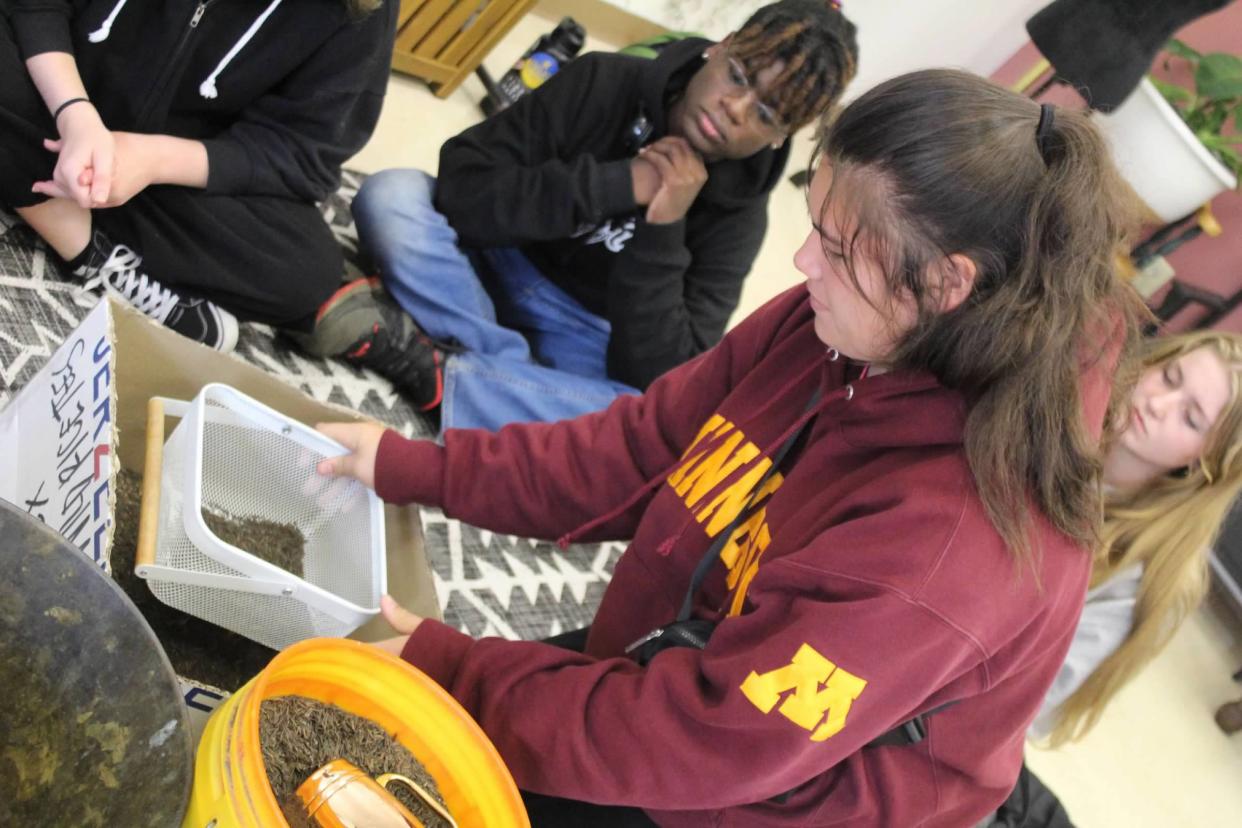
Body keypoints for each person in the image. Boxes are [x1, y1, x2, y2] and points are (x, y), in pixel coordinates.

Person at [317, 70, 1147, 826]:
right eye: (815, 222)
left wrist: (453, 669)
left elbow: (700, 740)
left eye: (832, 246)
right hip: (690, 677)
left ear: (944, 284)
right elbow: (642, 448)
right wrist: (410, 466)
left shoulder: (952, 549)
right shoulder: (837, 326)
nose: (799, 261)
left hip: (760, 792)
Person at [301, 0, 858, 428]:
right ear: (722, 45)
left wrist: (665, 228)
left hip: (580, 325)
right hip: (489, 256)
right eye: (738, 76)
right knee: (392, 196)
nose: (732, 110)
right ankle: (502, 378)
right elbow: (462, 188)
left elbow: (665, 373)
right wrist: (619, 184)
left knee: (647, 416)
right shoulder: (604, 80)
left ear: (780, 136)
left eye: (763, 113)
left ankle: (439, 367)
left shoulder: (741, 216)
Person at [0, 0, 398, 351]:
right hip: (53, 88)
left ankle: (41, 179)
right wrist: (74, 112)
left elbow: (301, 151)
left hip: (162, 165)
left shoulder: (365, 10)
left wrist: (152, 160)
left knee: (307, 272)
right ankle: (91, 252)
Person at [983, 331, 1242, 828]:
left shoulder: (1152, 580)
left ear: (1202, 464)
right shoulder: (1053, 416)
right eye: (1169, 376)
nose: (1159, 403)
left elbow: (1023, 709)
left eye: (1191, 418)